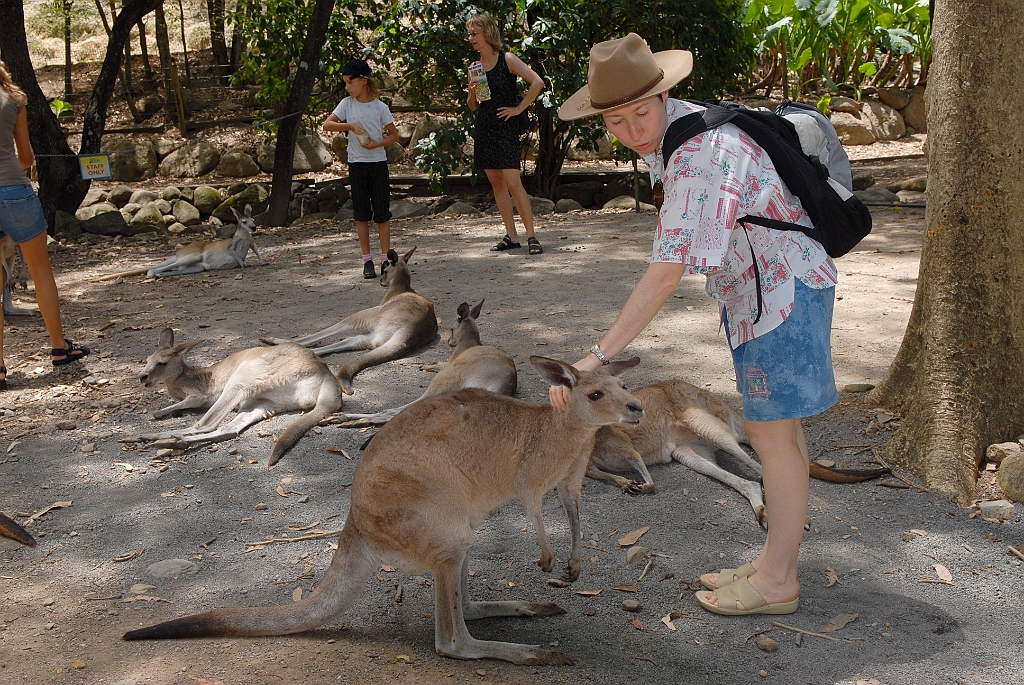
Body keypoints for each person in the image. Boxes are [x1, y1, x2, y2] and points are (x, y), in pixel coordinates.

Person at [551, 34, 840, 616]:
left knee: (772, 436)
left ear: (662, 95)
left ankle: (779, 581)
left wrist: (595, 356)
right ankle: (772, 559)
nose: (633, 130)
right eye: (616, 119)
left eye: (641, 111)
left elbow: (666, 271)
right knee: (769, 431)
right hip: (759, 291)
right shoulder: (679, 130)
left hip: (780, 292)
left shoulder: (698, 154)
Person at [0, 59, 90, 390]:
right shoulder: (14, 99)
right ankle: (58, 348)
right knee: (40, 269)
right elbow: (26, 158)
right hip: (15, 189)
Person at [466, 13, 545, 256]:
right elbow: (474, 105)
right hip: (486, 127)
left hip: (506, 127)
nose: (471, 39)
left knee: (513, 182)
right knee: (497, 184)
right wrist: (470, 92)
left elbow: (537, 82)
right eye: (469, 34)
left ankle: (532, 235)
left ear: (487, 33)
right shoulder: (475, 66)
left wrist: (519, 108)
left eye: (474, 34)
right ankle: (511, 236)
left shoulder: (507, 59)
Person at [324, 59, 399, 279]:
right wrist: (349, 126)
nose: (347, 87)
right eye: (345, 83)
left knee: (382, 214)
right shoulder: (347, 104)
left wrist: (376, 143)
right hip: (357, 165)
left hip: (377, 164)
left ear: (364, 81)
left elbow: (394, 135)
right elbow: (328, 124)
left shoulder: (379, 107)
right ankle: (367, 260)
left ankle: (385, 258)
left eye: (350, 82)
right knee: (361, 215)